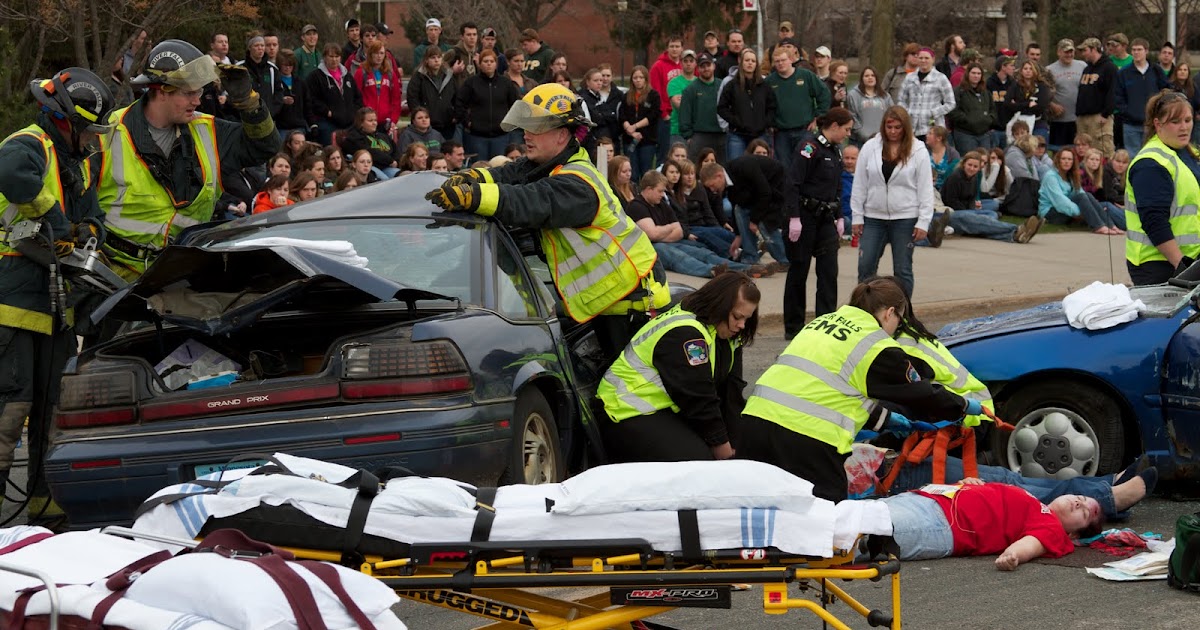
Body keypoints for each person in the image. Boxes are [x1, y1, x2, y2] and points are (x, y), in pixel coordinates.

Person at [423, 83, 671, 360]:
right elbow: (513, 172)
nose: (526, 136)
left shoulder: (577, 183)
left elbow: (529, 200)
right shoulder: (549, 164)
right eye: (526, 128)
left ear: (562, 135)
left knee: (627, 392)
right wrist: (475, 178)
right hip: (608, 300)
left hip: (632, 302)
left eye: (536, 129)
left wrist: (473, 196)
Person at [739, 277, 973, 502]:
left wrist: (889, 420)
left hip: (754, 425)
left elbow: (830, 391)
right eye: (899, 321)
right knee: (825, 518)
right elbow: (922, 392)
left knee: (758, 511)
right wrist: (963, 406)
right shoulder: (875, 344)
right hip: (805, 441)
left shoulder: (822, 322)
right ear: (890, 313)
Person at [0, 67, 116, 517]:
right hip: (13, 303)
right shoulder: (28, 144)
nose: (92, 139)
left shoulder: (78, 162)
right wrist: (60, 223)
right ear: (65, 120)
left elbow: (94, 220)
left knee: (55, 411)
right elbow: (12, 176)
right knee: (11, 408)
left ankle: (47, 514)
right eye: (88, 129)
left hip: (57, 304)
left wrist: (89, 231)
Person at [98, 40, 280, 280]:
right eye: (189, 92)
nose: (198, 101)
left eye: (200, 91)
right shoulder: (107, 132)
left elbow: (265, 145)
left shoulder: (208, 131)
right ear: (162, 89)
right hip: (113, 274)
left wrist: (249, 104)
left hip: (179, 276)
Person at [598, 272, 758, 462]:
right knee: (698, 462)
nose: (741, 325)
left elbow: (731, 394)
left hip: (665, 410)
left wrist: (737, 447)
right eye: (737, 317)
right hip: (625, 412)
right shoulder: (686, 334)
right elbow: (698, 398)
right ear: (720, 306)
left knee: (743, 451)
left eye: (746, 319)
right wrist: (722, 446)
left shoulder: (727, 336)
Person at [879, 481, 1098, 568]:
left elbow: (1033, 544)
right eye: (1081, 497)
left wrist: (1013, 555)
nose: (1079, 502)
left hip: (941, 524)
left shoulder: (1053, 528)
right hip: (927, 499)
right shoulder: (1034, 502)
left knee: (859, 533)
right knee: (850, 515)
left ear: (1074, 536)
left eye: (1085, 512)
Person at [783, 109, 853, 339]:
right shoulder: (809, 147)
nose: (847, 134)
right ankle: (793, 327)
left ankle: (825, 323)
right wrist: (794, 217)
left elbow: (838, 186)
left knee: (828, 272)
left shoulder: (835, 151)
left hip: (826, 218)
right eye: (846, 129)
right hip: (805, 216)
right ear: (834, 125)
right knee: (799, 270)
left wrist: (840, 215)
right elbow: (793, 182)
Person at [851, 107, 933, 296]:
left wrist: (923, 221)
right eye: (889, 127)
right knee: (865, 266)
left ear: (905, 127)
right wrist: (857, 216)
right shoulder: (870, 147)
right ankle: (864, 312)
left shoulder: (918, 150)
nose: (893, 132)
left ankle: (903, 313)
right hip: (873, 216)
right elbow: (860, 183)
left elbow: (925, 188)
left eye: (898, 127)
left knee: (903, 269)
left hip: (905, 217)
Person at [627, 171, 767, 279]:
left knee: (703, 252)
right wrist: (669, 230)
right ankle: (712, 271)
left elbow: (679, 230)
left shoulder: (661, 204)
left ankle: (745, 268)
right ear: (648, 189)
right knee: (679, 257)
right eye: (660, 191)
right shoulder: (637, 206)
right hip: (650, 249)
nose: (663, 194)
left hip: (668, 242)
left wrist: (663, 232)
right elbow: (652, 234)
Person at [1126, 90, 1200, 284]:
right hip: (1161, 265)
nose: (1184, 128)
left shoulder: (1186, 154)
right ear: (1158, 124)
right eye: (1175, 122)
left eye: (1188, 120)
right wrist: (1183, 267)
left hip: (1189, 261)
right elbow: (1154, 221)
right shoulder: (1151, 163)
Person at [939, 152, 1043, 243]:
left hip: (968, 209)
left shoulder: (974, 178)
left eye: (975, 166)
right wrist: (970, 213)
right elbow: (951, 201)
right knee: (980, 219)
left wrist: (973, 210)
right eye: (969, 165)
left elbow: (972, 198)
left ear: (979, 168)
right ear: (963, 164)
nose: (971, 168)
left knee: (991, 213)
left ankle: (1014, 236)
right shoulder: (955, 177)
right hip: (955, 211)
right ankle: (1017, 230)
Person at [767, 46, 830, 170]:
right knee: (784, 167)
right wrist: (770, 122)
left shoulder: (806, 76)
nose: (780, 64)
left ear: (791, 60)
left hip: (804, 130)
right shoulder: (770, 81)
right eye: (777, 61)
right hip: (781, 134)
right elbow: (764, 105)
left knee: (806, 165)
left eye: (783, 60)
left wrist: (817, 116)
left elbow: (824, 94)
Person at [1038, 146, 1121, 235]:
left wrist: (1090, 209)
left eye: (1070, 159)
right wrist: (1083, 212)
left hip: (1067, 210)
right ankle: (1099, 226)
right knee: (1082, 197)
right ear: (1058, 160)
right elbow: (1060, 202)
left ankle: (1111, 225)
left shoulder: (1071, 176)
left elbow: (1080, 193)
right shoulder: (1051, 177)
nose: (1067, 162)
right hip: (1051, 213)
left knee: (1087, 195)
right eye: (1063, 159)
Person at [454, 49, 519, 161]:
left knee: (499, 167)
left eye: (491, 61)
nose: (489, 64)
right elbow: (459, 103)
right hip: (477, 137)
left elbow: (515, 105)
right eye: (485, 61)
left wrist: (509, 124)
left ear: (496, 64)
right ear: (479, 64)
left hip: (501, 137)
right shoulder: (471, 83)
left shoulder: (505, 83)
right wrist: (468, 123)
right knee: (479, 169)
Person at [718, 49, 776, 162]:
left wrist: (765, 123)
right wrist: (736, 121)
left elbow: (772, 107)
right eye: (747, 60)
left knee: (762, 166)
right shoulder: (731, 85)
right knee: (736, 167)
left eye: (753, 61)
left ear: (756, 64)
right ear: (741, 63)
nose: (750, 63)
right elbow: (721, 108)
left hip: (760, 135)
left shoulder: (764, 86)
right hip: (737, 135)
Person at [1115, 38, 1170, 155]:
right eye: (1133, 50)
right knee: (1133, 158)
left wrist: (1159, 113)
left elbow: (1166, 92)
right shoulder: (1123, 73)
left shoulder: (1156, 71)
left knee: (1153, 155)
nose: (1136, 53)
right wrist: (1127, 112)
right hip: (1130, 125)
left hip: (1152, 124)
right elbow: (1118, 97)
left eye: (1139, 49)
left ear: (1146, 51)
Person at [304, 43, 362, 146]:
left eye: (337, 56)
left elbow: (357, 97)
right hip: (327, 123)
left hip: (349, 124)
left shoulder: (347, 76)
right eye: (331, 56)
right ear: (324, 57)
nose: (334, 59)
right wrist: (327, 112)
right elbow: (311, 99)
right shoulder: (315, 76)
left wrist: (353, 113)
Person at [898, 48, 955, 140]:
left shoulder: (941, 78)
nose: (923, 61)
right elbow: (901, 100)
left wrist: (934, 112)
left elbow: (951, 103)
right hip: (912, 128)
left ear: (933, 59)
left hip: (933, 128)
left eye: (926, 58)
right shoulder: (909, 78)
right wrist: (908, 112)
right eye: (920, 58)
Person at [1076, 38, 1119, 157]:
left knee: (1102, 151)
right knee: (1084, 153)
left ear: (1094, 49)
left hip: (1099, 117)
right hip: (1083, 117)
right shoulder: (1087, 69)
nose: (1083, 53)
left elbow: (1113, 92)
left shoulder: (1109, 68)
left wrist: (1106, 114)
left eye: (1085, 50)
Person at [679, 53, 724, 162]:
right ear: (697, 68)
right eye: (702, 66)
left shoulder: (723, 86)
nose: (706, 69)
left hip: (721, 135)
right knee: (696, 170)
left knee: (721, 169)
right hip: (699, 135)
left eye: (708, 65)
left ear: (714, 66)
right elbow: (684, 114)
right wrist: (688, 137)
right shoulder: (690, 89)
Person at [407, 47, 458, 141]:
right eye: (433, 57)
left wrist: (455, 114)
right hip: (426, 125)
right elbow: (412, 98)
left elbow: (456, 97)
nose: (436, 60)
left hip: (447, 123)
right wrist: (420, 117)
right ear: (426, 60)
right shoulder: (419, 76)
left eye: (439, 57)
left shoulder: (449, 75)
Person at [1045, 39, 1088, 149]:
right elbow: (1043, 93)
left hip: (1079, 118)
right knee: (1058, 150)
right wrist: (1052, 105)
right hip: (1059, 119)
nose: (1069, 55)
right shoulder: (1049, 70)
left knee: (1078, 149)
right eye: (1066, 52)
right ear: (1059, 52)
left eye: (1071, 52)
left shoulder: (1083, 66)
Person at [621, 65, 661, 179]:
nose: (638, 80)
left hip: (647, 140)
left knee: (646, 172)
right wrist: (630, 130)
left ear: (646, 79)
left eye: (641, 77)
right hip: (630, 139)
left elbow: (653, 115)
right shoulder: (626, 96)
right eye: (635, 78)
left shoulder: (653, 95)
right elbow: (622, 115)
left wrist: (635, 126)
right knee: (631, 173)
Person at [354, 41, 403, 134]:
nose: (379, 56)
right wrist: (360, 118)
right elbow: (355, 97)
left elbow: (396, 99)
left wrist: (393, 120)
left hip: (385, 123)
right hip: (366, 121)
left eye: (381, 53)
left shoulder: (390, 74)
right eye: (376, 53)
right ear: (370, 54)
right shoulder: (361, 72)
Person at [947, 63, 995, 153]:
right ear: (967, 74)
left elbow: (992, 109)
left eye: (978, 73)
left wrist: (989, 120)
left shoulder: (986, 92)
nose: (976, 76)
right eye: (973, 73)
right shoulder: (958, 91)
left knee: (984, 162)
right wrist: (967, 119)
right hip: (965, 134)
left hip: (984, 134)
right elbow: (952, 110)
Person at [339, 107, 399, 178]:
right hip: (370, 168)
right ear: (361, 123)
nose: (374, 123)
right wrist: (390, 161)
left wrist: (396, 161)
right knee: (385, 181)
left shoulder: (382, 135)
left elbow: (395, 150)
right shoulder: (353, 138)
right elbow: (370, 152)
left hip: (388, 167)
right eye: (370, 121)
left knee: (404, 176)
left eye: (375, 120)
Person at [1081, 147, 1126, 229]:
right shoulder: (1081, 173)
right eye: (1092, 159)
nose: (1094, 162)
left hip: (1099, 204)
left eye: (1097, 160)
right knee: (1108, 206)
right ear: (1086, 160)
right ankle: (1126, 225)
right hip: (1090, 204)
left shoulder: (1097, 175)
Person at [846, 67, 891, 146]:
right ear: (862, 79)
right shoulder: (853, 95)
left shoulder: (885, 96)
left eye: (872, 75)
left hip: (881, 139)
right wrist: (862, 133)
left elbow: (891, 113)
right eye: (866, 76)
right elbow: (852, 116)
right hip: (859, 140)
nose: (870, 78)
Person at [925, 126, 960, 190]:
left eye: (930, 134)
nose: (926, 136)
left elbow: (955, 175)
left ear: (939, 138)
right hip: (927, 189)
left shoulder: (953, 154)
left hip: (947, 190)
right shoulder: (924, 152)